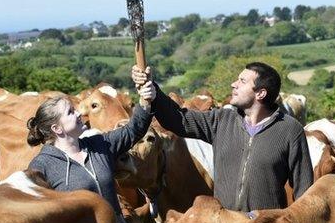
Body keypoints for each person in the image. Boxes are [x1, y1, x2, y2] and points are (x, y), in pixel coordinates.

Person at [131, 62, 313, 211]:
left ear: (261, 93)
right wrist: (152, 90)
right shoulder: (222, 120)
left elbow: (304, 191)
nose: (234, 84)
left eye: (242, 81)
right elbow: (179, 120)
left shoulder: (290, 130)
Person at [27, 82, 156, 223]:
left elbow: (134, 130)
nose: (80, 113)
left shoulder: (100, 145)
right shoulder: (41, 166)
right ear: (57, 129)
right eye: (71, 113)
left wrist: (146, 101)